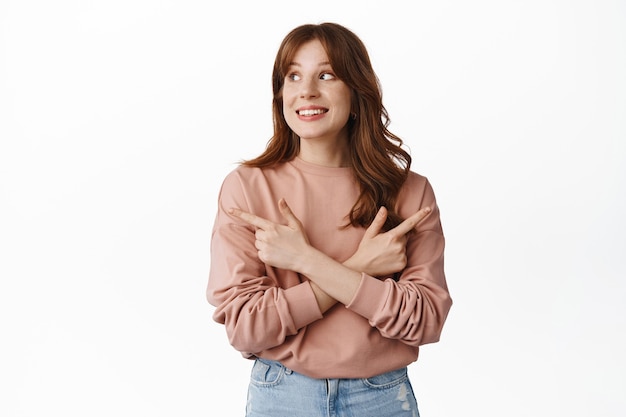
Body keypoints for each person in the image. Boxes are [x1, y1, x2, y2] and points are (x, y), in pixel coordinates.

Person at [206, 22, 452, 417]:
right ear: (281, 94)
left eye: (326, 75)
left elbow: (425, 321)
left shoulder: (408, 191)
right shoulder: (247, 188)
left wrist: (305, 261)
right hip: (282, 393)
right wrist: (360, 268)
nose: (306, 90)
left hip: (382, 396)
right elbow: (246, 329)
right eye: (293, 76)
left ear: (356, 92)